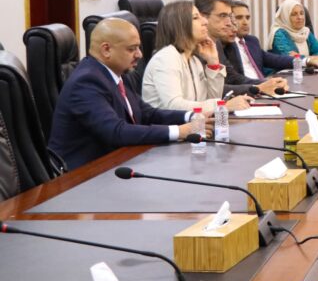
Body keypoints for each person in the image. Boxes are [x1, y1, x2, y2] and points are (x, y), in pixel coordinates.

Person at [49, 18, 208, 170]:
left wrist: (191, 116)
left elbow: (147, 113)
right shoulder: (86, 82)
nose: (139, 54)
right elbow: (115, 131)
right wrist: (180, 131)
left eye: (138, 48)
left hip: (117, 162)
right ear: (106, 50)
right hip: (82, 175)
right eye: (132, 49)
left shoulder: (118, 74)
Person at [143, 1, 253, 113]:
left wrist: (213, 64)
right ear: (179, 26)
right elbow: (174, 106)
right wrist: (223, 105)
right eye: (196, 18)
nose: (205, 22)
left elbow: (210, 99)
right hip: (169, 123)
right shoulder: (166, 58)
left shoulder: (194, 60)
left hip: (195, 122)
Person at [194, 0, 287, 97]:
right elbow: (209, 90)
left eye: (229, 16)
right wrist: (258, 88)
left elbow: (232, 77)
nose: (229, 23)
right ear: (203, 16)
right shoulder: (192, 45)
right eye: (222, 16)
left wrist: (269, 83)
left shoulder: (216, 43)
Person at [268, 0, 318, 65]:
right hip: (281, 74)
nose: (300, 17)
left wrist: (310, 58)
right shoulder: (279, 34)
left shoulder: (305, 31)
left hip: (305, 71)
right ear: (285, 17)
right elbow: (290, 59)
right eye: (294, 14)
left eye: (301, 13)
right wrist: (314, 59)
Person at [231, 0, 296, 77]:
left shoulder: (252, 41)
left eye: (247, 18)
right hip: (250, 84)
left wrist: (305, 61)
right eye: (239, 18)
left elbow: (274, 59)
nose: (245, 22)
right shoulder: (226, 46)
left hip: (264, 82)